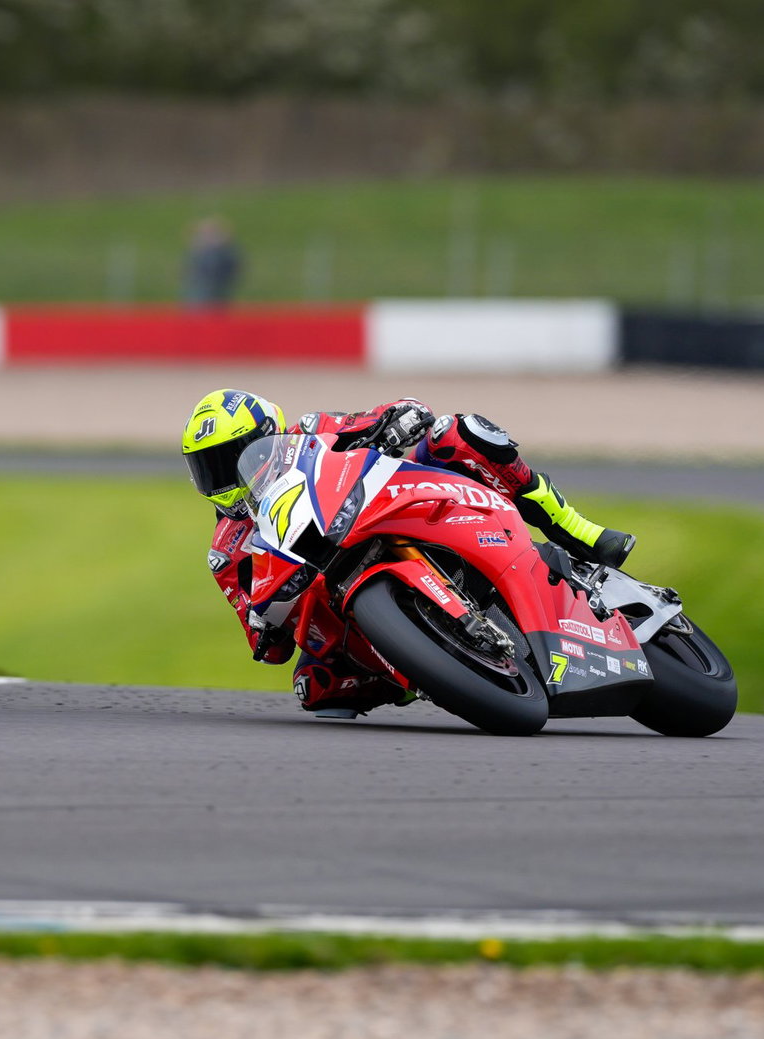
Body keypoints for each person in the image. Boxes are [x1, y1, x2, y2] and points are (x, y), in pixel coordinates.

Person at [181, 389, 635, 718]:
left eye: (229, 459)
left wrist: (398, 419)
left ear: (267, 435)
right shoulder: (227, 549)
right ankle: (428, 668)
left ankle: (579, 531)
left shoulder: (313, 430)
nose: (222, 478)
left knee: (460, 434)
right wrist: (263, 628)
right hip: (330, 587)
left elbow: (389, 413)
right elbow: (264, 641)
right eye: (208, 468)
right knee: (316, 691)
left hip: (387, 506)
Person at [182, 217, 241, 307]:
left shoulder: (223, 252)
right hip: (199, 291)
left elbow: (232, 270)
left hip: (217, 290)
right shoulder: (198, 251)